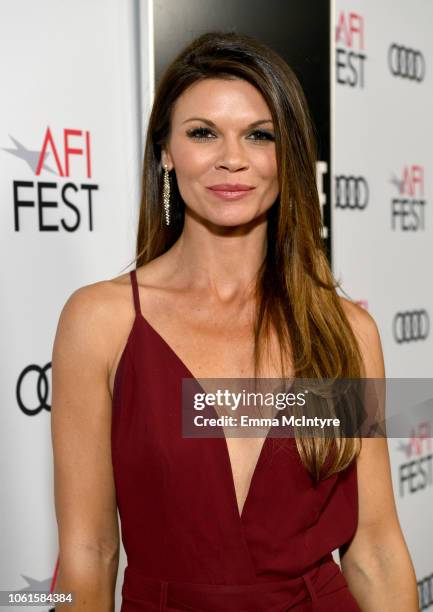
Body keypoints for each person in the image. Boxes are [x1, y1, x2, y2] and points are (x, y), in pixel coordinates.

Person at [51, 31, 418, 611]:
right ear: (167, 151)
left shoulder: (346, 330)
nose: (232, 157)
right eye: (203, 133)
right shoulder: (101, 322)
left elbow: (373, 549)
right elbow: (88, 551)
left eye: (259, 134)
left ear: (288, 154)